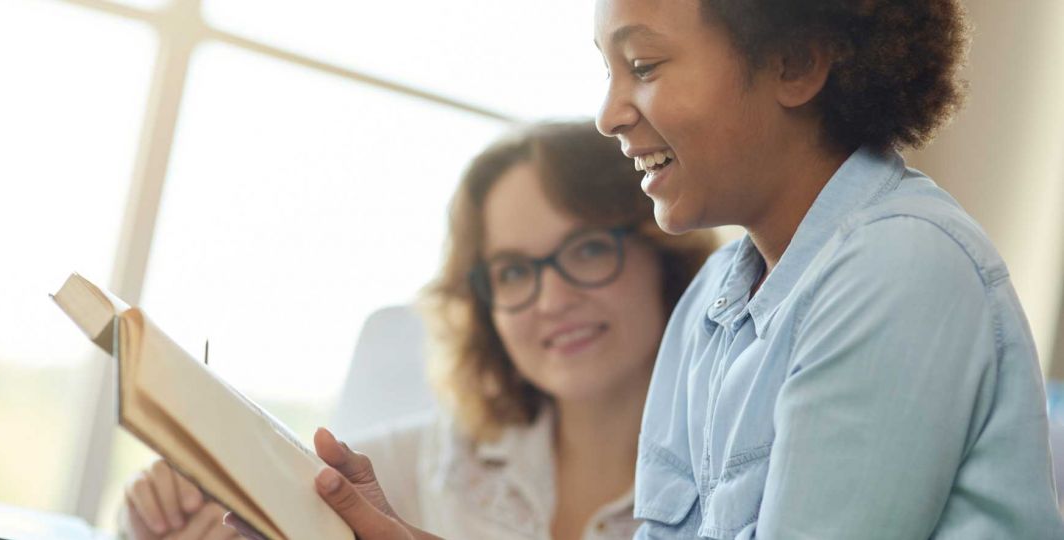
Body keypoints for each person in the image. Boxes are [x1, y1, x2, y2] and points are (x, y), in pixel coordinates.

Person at [233, 1, 1064, 538]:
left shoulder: (901, 269)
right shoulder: (713, 301)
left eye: (646, 65)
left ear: (797, 64)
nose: (609, 112)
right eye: (608, 70)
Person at [117, 121, 716, 540]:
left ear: (661, 254)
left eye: (586, 250)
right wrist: (170, 517)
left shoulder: (736, 475)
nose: (554, 299)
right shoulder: (418, 463)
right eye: (512, 271)